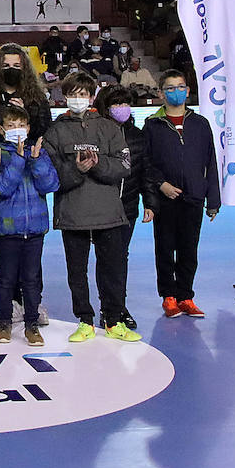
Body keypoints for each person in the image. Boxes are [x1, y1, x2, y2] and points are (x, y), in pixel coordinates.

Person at [42, 72, 139, 343]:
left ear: (92, 96)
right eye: (72, 94)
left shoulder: (109, 128)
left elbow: (124, 165)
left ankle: (114, 319)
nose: (78, 99)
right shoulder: (56, 130)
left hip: (108, 212)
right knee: (77, 270)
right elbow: (49, 174)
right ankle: (84, 320)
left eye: (83, 94)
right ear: (64, 96)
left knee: (113, 269)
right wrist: (76, 169)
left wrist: (98, 165)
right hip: (73, 214)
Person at [141, 72, 221, 317]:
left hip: (194, 197)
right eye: (170, 88)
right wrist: (161, 184)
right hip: (166, 200)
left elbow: (211, 161)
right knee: (165, 249)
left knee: (189, 250)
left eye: (180, 87)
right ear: (161, 93)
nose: (176, 91)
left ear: (187, 91)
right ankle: (169, 296)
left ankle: (186, 296)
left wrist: (213, 200)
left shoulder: (200, 124)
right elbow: (145, 163)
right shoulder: (152, 125)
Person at [0, 104, 59, 346]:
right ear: (1, 129)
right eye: (10, 126)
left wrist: (36, 161)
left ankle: (32, 324)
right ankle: (4, 321)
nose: (17, 130)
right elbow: (0, 188)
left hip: (35, 229)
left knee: (31, 279)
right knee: (6, 278)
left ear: (28, 128)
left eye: (21, 125)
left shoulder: (39, 152)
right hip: (6, 229)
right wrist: (18, 160)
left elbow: (50, 185)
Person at [96, 85, 145, 328]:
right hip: (102, 207)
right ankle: (109, 308)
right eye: (115, 104)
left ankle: (118, 307)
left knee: (119, 258)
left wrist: (151, 203)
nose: (121, 108)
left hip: (129, 208)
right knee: (107, 258)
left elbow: (145, 171)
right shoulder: (96, 133)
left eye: (125, 103)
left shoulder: (137, 135)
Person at [0, 43, 52, 142]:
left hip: (29, 152)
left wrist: (24, 114)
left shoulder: (38, 98)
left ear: (24, 68)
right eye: (6, 66)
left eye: (16, 66)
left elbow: (44, 129)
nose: (11, 69)